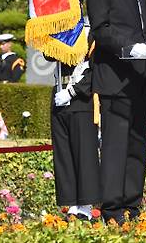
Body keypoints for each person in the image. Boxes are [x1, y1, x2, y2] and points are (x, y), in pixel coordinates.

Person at [87, 0, 146, 224]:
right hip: (116, 78)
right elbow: (101, 30)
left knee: (137, 145)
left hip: (141, 78)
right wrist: (131, 48)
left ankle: (133, 206)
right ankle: (112, 210)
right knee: (116, 146)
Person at [50, 33, 100, 220]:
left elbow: (95, 70)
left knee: (84, 154)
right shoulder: (60, 32)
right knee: (64, 154)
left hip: (80, 101)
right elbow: (48, 54)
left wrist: (73, 91)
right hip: (59, 97)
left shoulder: (90, 34)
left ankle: (86, 206)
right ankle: (71, 203)